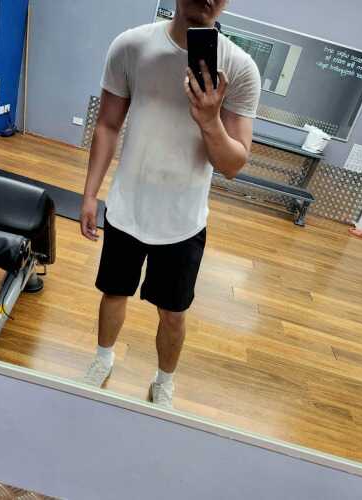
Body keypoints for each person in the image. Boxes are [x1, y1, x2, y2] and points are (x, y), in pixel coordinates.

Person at [80, 0, 261, 408]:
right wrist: (90, 193)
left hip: (184, 220)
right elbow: (107, 124)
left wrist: (210, 119)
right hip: (127, 207)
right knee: (113, 293)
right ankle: (103, 359)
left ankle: (164, 381)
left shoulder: (239, 68)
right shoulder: (131, 46)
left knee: (174, 313)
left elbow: (233, 164)